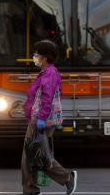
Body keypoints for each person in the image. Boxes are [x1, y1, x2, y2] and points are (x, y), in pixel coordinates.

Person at [22, 40, 77, 195]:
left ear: (44, 57)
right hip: (38, 118)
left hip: (41, 120)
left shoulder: (50, 73)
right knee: (34, 155)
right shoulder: (46, 72)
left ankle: (66, 177)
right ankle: (31, 189)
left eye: (36, 54)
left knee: (34, 155)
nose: (34, 57)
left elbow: (47, 98)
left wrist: (39, 118)